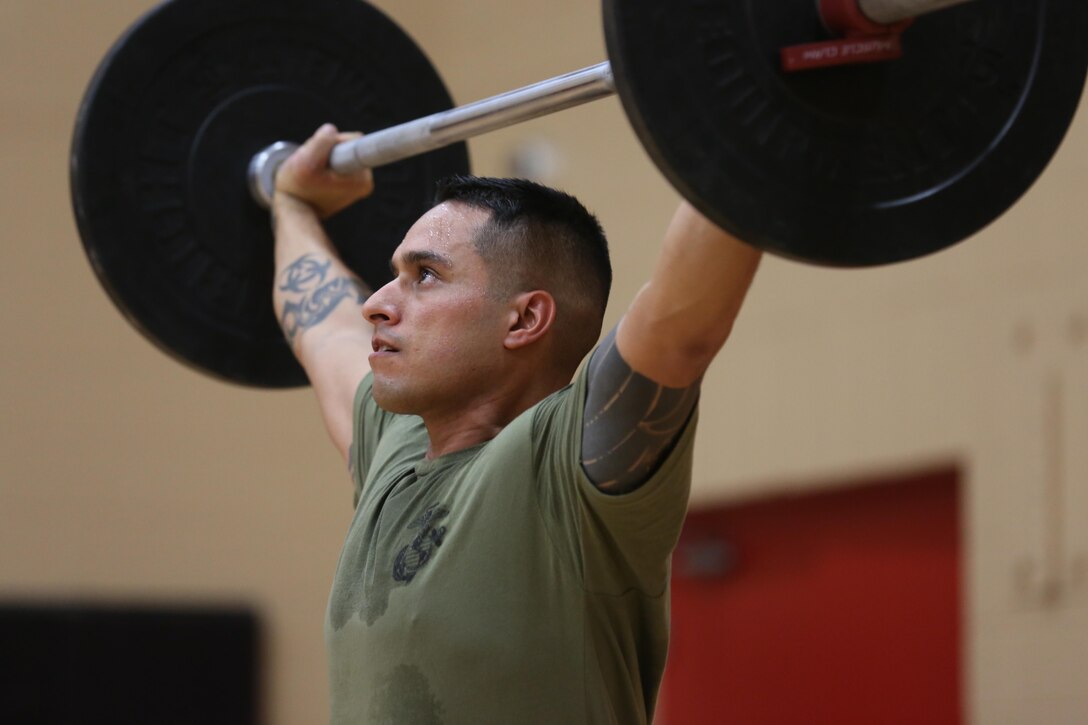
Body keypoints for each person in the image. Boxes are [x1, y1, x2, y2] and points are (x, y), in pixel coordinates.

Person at [272, 123, 762, 724]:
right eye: (393, 274)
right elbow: (324, 326)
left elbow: (681, 328)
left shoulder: (565, 462)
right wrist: (290, 202)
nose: (377, 301)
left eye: (424, 275)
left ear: (525, 319)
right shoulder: (391, 448)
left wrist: (755, 115)